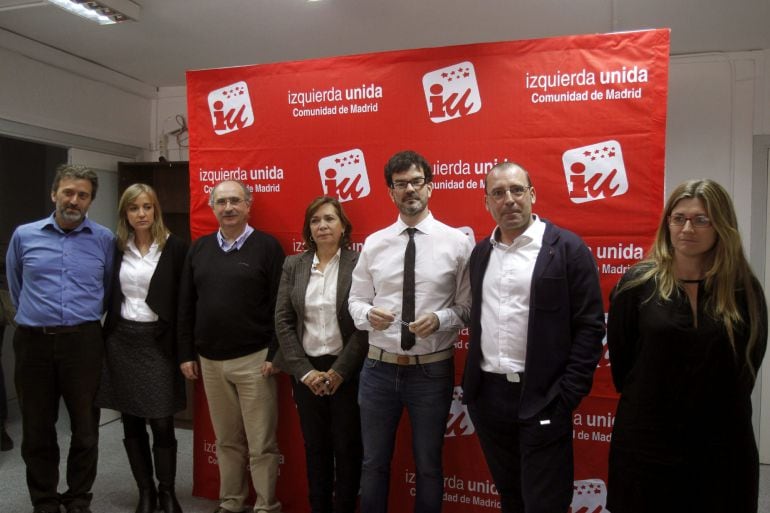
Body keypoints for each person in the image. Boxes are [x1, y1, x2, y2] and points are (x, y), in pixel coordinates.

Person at [606, 179, 768, 513]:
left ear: (721, 225)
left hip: (723, 445)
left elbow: (746, 368)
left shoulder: (743, 290)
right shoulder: (637, 285)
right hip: (647, 444)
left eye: (701, 219)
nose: (687, 228)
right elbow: (624, 368)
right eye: (678, 218)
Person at [462, 162, 605, 513]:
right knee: (511, 497)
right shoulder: (481, 253)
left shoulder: (567, 248)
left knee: (545, 502)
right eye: (498, 193)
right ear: (486, 203)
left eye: (516, 190)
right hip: (490, 398)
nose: (508, 200)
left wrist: (566, 395)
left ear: (532, 195)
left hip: (544, 397)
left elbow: (590, 326)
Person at [348, 150, 473, 513]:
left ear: (430, 187)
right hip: (378, 369)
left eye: (416, 182)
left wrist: (441, 319)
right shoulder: (375, 243)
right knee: (373, 464)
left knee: (429, 466)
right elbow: (355, 301)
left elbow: (467, 308)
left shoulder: (457, 243)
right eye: (400, 184)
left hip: (431, 371)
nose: (409, 190)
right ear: (390, 192)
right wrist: (369, 313)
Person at [5, 164, 115, 513]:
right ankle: (45, 500)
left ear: (90, 201)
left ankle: (78, 497)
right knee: (37, 428)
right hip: (33, 342)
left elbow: (109, 289)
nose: (74, 200)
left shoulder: (104, 240)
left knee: (85, 428)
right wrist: (39, 316)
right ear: (54, 193)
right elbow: (16, 283)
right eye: (68, 192)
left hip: (83, 342)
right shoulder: (25, 235)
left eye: (83, 195)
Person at [177, 180, 284, 513]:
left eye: (235, 200)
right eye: (221, 201)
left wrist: (274, 354)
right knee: (226, 441)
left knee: (261, 444)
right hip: (209, 361)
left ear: (248, 205)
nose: (228, 208)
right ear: (212, 207)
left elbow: (282, 308)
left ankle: (266, 505)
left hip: (255, 361)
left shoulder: (268, 247)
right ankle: (232, 501)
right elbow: (186, 305)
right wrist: (185, 353)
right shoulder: (199, 249)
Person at [96, 184, 188, 513]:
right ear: (126, 214)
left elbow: (183, 303)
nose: (142, 214)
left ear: (156, 210)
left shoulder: (174, 247)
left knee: (162, 421)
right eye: (134, 208)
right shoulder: (116, 247)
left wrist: (184, 349)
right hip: (121, 340)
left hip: (158, 342)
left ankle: (167, 492)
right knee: (131, 420)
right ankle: (145, 491)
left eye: (147, 207)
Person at [275, 196, 367, 513]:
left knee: (348, 447)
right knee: (316, 447)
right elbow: (283, 321)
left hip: (348, 371)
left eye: (329, 218)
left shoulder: (360, 263)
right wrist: (305, 372)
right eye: (315, 220)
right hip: (307, 372)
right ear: (308, 230)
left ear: (343, 226)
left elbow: (363, 326)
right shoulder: (293, 265)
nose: (322, 225)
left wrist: (340, 371)